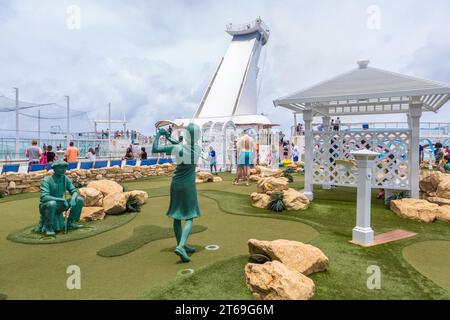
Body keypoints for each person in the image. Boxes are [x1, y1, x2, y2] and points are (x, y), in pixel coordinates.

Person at [152, 123, 201, 263]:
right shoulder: (197, 149)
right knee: (190, 217)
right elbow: (181, 145)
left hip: (176, 184)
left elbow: (155, 148)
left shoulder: (177, 148)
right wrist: (169, 136)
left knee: (177, 216)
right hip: (188, 185)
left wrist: (160, 134)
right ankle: (180, 246)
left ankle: (182, 245)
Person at [35, 160, 84, 236]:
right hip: (46, 206)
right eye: (61, 168)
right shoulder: (46, 180)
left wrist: (74, 198)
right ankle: (49, 227)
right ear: (55, 169)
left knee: (79, 200)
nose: (64, 170)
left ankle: (70, 222)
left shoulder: (65, 178)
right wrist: (62, 199)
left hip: (60, 205)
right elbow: (44, 197)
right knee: (52, 203)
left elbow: (73, 191)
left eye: (65, 168)